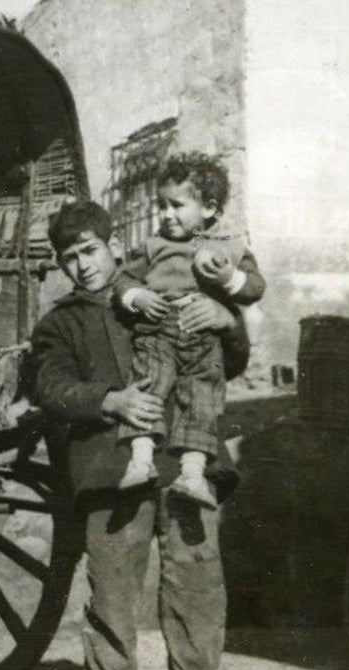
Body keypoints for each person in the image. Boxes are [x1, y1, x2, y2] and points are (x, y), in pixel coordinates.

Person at [31, 200, 248, 670]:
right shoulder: (61, 322)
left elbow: (230, 356)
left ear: (112, 247)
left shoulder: (161, 288)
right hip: (111, 469)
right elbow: (49, 384)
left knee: (194, 584)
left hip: (185, 462)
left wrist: (226, 320)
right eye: (70, 257)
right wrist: (110, 400)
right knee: (110, 593)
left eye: (90, 251)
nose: (82, 266)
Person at [113, 152, 265, 509]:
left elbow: (255, 287)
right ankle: (140, 462)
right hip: (157, 328)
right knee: (148, 384)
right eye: (161, 205)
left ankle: (193, 476)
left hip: (202, 337)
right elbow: (123, 280)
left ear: (209, 209)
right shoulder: (152, 246)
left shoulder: (226, 247)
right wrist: (138, 297)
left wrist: (228, 278)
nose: (166, 214)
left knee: (202, 398)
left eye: (177, 205)